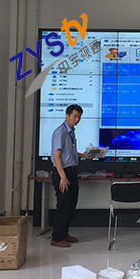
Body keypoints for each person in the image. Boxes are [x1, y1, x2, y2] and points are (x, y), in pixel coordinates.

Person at [50, 104, 92, 247]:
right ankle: (56, 238)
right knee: (63, 206)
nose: (77, 119)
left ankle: (64, 233)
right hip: (63, 173)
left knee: (71, 204)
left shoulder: (71, 132)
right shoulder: (60, 132)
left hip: (72, 172)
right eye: (75, 116)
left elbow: (71, 153)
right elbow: (56, 156)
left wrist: (85, 155)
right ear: (67, 116)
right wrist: (63, 177)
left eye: (79, 117)